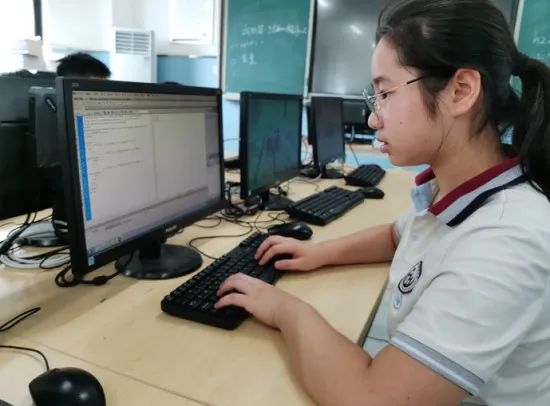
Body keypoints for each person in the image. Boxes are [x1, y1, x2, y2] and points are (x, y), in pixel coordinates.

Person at [214, 0, 550, 405]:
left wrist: (286, 310)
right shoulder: (459, 189)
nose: (373, 119)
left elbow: (372, 397)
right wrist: (319, 253)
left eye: (386, 93)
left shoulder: (505, 239)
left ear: (461, 91)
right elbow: (397, 235)